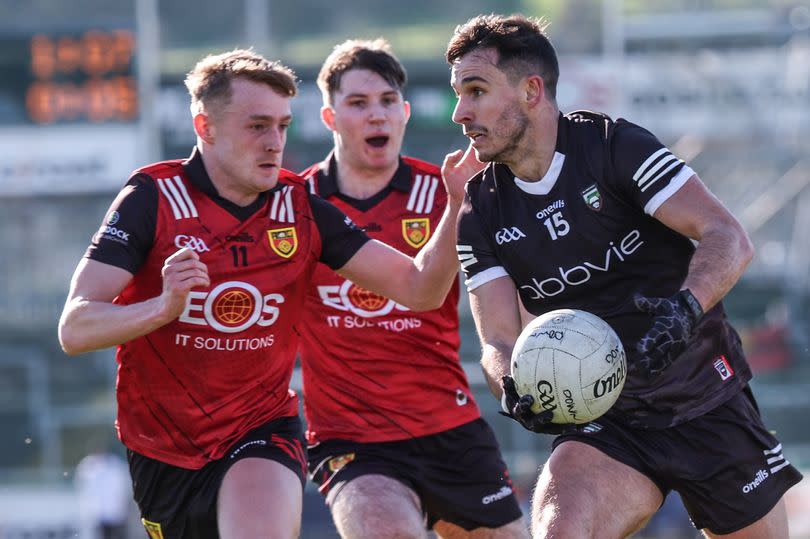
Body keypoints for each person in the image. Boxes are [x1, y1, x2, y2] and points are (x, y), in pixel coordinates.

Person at [58, 48, 478, 539]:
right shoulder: (152, 199)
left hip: (261, 430)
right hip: (161, 449)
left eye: (281, 126)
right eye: (257, 126)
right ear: (205, 127)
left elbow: (419, 289)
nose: (274, 143)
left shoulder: (301, 207)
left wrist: (457, 207)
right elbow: (76, 327)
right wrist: (163, 306)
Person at [445, 13, 803, 539]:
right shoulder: (480, 213)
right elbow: (498, 338)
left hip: (706, 398)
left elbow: (728, 236)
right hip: (605, 422)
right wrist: (512, 387)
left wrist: (685, 309)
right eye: (458, 94)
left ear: (531, 90)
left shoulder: (613, 148)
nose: (460, 112)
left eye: (475, 91)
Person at [298, 39, 527, 539]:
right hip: (352, 440)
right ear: (329, 117)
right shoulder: (297, 206)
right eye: (357, 104)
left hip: (449, 426)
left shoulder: (450, 191)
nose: (375, 115)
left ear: (403, 114)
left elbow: (513, 282)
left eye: (385, 102)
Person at [75, 443, 132, 539]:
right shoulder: (87, 466)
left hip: (116, 511)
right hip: (98, 512)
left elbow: (124, 486)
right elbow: (82, 487)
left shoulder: (116, 465)